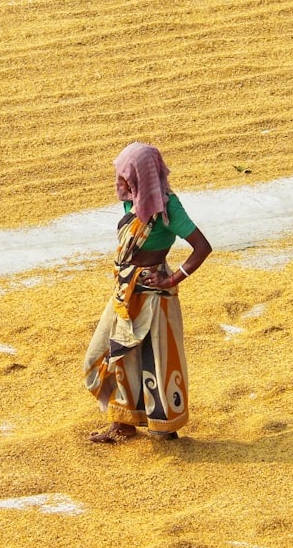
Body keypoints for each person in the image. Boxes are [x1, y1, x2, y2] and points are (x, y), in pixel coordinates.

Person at [84, 142, 212, 443]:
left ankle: (163, 429)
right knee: (112, 355)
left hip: (154, 296)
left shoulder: (169, 208)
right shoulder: (132, 201)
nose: (119, 182)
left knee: (155, 361)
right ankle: (123, 423)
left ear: (141, 175)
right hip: (126, 291)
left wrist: (173, 279)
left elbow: (202, 247)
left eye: (125, 176)